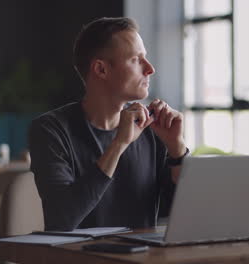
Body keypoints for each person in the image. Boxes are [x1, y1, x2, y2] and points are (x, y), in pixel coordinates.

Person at [28, 17, 188, 231]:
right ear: (101, 70)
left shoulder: (151, 128)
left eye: (146, 59)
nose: (150, 69)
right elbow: (62, 219)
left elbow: (178, 212)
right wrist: (119, 144)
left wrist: (177, 150)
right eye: (135, 59)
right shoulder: (50, 130)